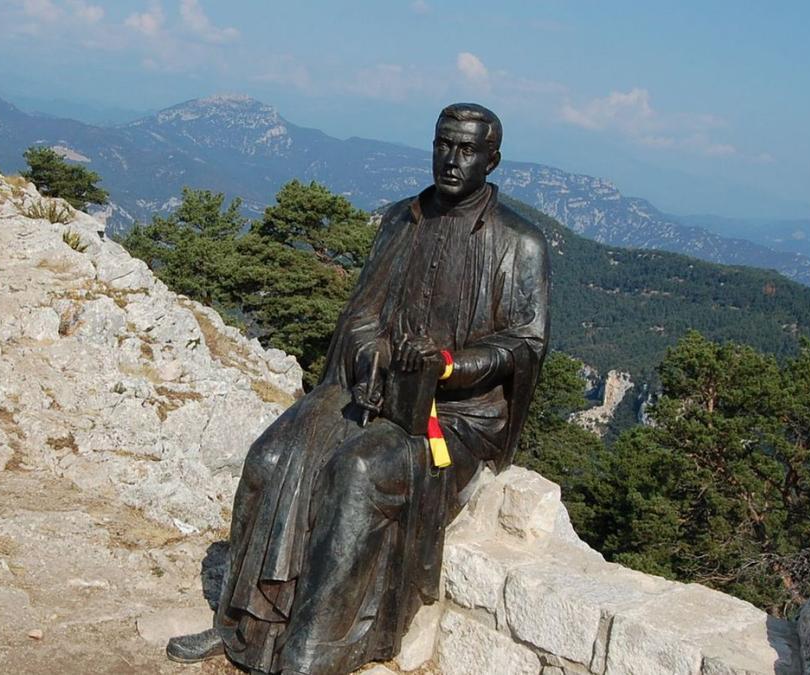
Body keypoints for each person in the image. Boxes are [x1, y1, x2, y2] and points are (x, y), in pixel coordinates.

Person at [167, 103, 550, 675]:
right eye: (444, 144)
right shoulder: (402, 219)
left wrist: (447, 365)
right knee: (270, 457)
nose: (451, 158)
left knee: (359, 472)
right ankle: (242, 626)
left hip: (456, 415)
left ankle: (313, 650)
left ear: (492, 160)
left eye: (467, 149)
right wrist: (374, 352)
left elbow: (524, 344)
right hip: (371, 383)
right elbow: (363, 312)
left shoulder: (520, 243)